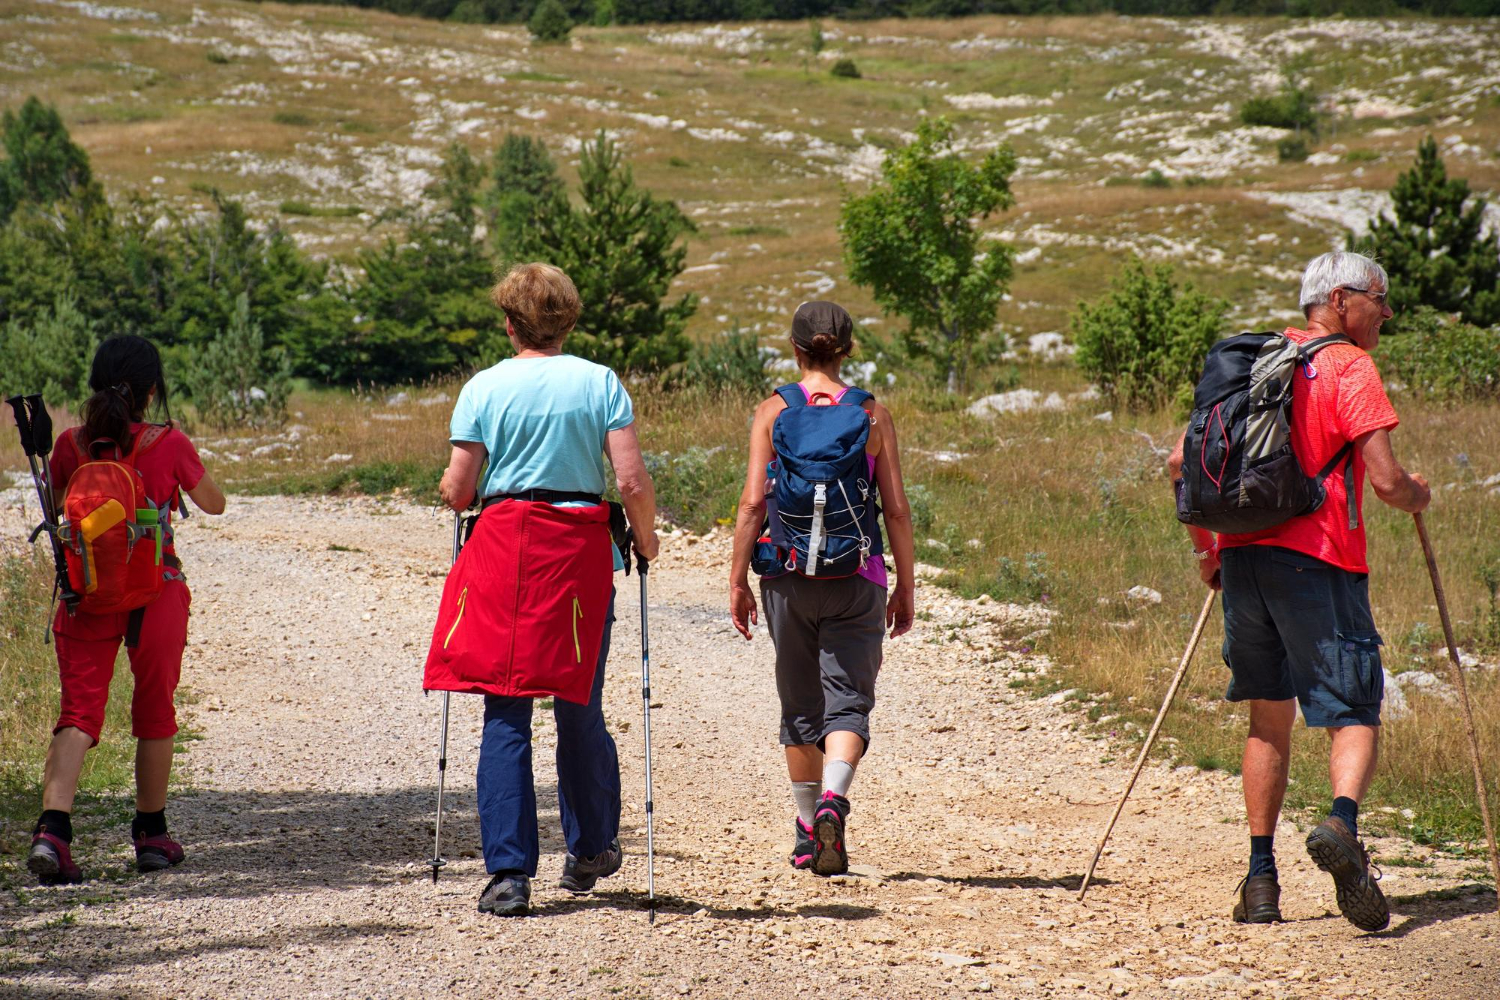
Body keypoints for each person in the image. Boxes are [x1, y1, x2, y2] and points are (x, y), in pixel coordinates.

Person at [1168, 251, 1429, 931]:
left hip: (1244, 561)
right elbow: (1386, 482)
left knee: (1268, 719)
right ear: (1340, 300)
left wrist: (1208, 552)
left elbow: (1178, 463)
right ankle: (1341, 825)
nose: (1386, 311)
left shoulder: (1258, 360)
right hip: (1319, 561)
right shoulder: (1350, 367)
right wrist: (1417, 494)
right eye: (1378, 298)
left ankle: (1261, 881)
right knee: (1353, 710)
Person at [435, 262, 659, 917]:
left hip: (502, 550)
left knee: (505, 710)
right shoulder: (599, 381)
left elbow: (459, 489)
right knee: (578, 701)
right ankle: (590, 848)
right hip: (577, 555)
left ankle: (508, 874)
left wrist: (455, 490)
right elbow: (631, 481)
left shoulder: (483, 387)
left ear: (510, 323)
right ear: (568, 321)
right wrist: (646, 540)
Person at [28, 335, 226, 885]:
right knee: (155, 712)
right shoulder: (169, 442)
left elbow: (54, 504)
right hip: (155, 594)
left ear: (95, 385)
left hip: (86, 594)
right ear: (151, 391)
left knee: (78, 714)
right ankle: (151, 836)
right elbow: (214, 504)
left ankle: (52, 833)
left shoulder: (70, 444)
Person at [728, 300, 915, 876]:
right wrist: (905, 586)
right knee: (848, 701)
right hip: (857, 576)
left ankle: (809, 829)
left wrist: (737, 580)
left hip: (785, 577)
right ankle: (835, 796)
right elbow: (896, 510)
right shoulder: (872, 415)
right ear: (848, 349)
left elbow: (753, 504)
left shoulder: (773, 410)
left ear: (794, 348)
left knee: (800, 704)